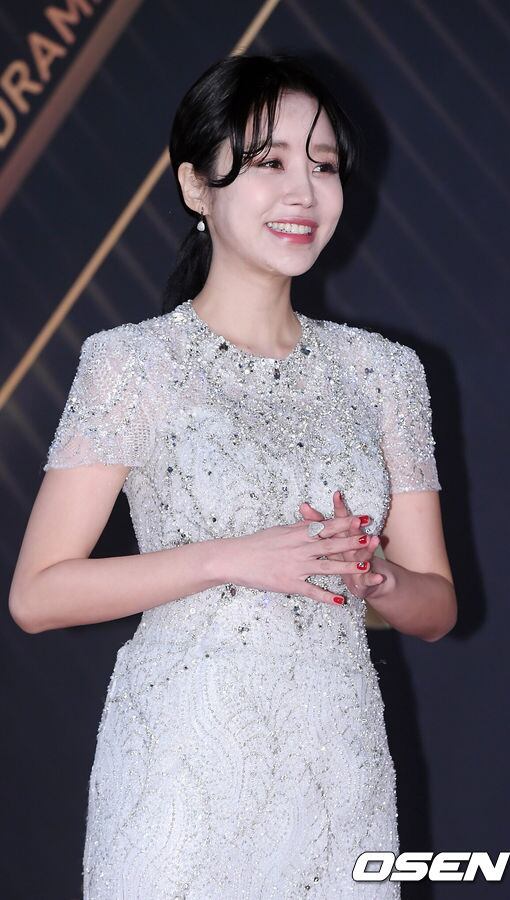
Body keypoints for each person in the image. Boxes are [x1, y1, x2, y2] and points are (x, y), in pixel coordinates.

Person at [9, 54, 457, 898]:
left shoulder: (385, 374)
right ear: (195, 186)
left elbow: (436, 607)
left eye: (323, 165)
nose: (303, 191)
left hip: (337, 765)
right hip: (182, 769)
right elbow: (38, 595)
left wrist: (381, 578)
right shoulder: (132, 365)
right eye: (268, 162)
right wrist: (231, 558)